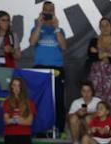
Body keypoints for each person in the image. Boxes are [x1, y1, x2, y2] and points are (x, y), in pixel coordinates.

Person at [28, 2, 66, 133]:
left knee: (58, 99)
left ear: (54, 12)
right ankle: (38, 129)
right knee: (39, 98)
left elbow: (64, 47)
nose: (48, 13)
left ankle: (60, 129)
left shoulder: (60, 30)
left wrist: (56, 28)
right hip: (40, 68)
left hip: (56, 68)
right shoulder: (36, 28)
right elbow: (32, 43)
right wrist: (39, 24)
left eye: (51, 10)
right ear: (42, 11)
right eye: (46, 10)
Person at [86, 17, 111, 124]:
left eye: (107, 25)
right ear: (99, 28)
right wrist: (107, 54)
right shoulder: (94, 41)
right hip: (96, 79)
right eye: (102, 25)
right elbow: (91, 56)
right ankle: (95, 129)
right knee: (97, 103)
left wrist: (100, 53)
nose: (105, 27)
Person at [2, 75, 36, 144]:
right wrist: (20, 120)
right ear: (11, 87)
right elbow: (6, 121)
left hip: (24, 135)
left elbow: (29, 122)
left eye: (18, 86)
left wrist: (13, 120)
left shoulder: (29, 103)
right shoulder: (7, 102)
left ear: (22, 88)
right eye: (14, 85)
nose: (16, 88)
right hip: (10, 135)